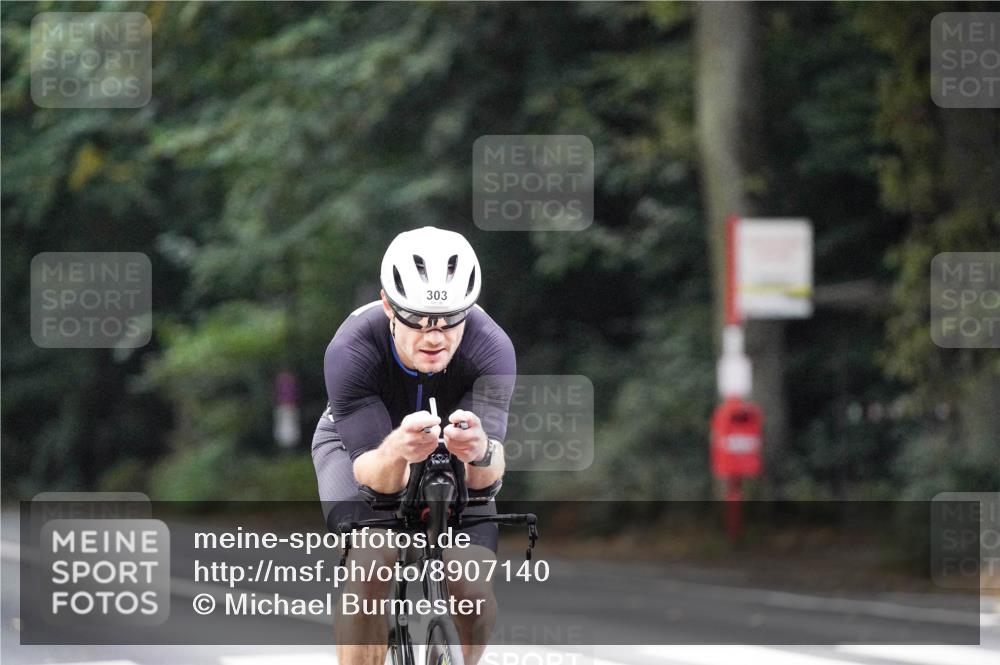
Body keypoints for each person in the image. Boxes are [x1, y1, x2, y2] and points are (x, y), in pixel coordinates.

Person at [311, 226, 516, 665]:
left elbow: (487, 479)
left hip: (451, 451)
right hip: (365, 449)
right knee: (371, 567)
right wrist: (397, 450)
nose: (434, 337)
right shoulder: (351, 349)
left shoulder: (492, 348)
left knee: (473, 592)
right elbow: (372, 478)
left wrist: (479, 449)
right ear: (388, 305)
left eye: (449, 322)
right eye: (418, 321)